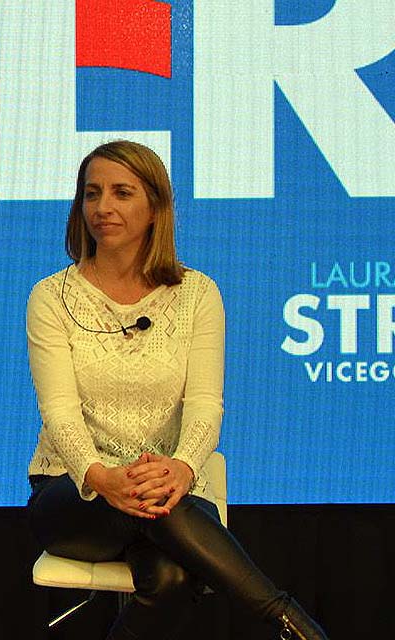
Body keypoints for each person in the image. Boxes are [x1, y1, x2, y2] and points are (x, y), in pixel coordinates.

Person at [25, 140, 328, 639]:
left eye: (122, 193)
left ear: (155, 208)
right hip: (75, 492)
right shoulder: (51, 296)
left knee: (170, 579)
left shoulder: (197, 294)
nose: (103, 207)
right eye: (92, 193)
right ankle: (291, 623)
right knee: (159, 517)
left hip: (173, 489)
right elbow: (59, 412)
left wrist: (183, 467)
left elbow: (206, 404)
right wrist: (102, 476)